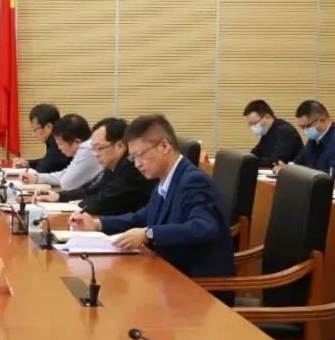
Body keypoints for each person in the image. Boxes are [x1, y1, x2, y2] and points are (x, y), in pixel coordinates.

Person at [72, 114, 235, 284]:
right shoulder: (165, 178)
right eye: (132, 158)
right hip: (166, 272)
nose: (137, 164)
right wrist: (98, 224)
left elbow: (203, 227)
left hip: (197, 283)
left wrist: (148, 234)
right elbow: (143, 216)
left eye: (140, 155)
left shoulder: (194, 181)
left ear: (164, 146)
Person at [38, 117, 154, 216]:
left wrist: (77, 205)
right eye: (93, 148)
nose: (95, 154)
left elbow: (104, 201)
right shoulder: (112, 166)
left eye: (99, 148)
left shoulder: (130, 168)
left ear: (119, 146)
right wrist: (58, 196)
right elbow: (91, 190)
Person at [19, 114, 102, 190]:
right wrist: (37, 178)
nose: (59, 148)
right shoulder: (86, 146)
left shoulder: (87, 149)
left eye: (61, 144)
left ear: (76, 141)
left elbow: (66, 183)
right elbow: (65, 173)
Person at [288, 100, 335, 188]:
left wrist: (303, 173)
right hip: (311, 185)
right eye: (302, 127)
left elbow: (334, 175)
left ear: (322, 120)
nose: (305, 130)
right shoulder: (315, 138)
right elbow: (300, 161)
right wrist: (288, 168)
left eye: (307, 126)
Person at [12, 103, 72, 174]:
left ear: (49, 126)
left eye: (34, 129)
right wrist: (27, 163)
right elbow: (47, 160)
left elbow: (41, 171)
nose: (33, 134)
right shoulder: (56, 137)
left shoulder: (58, 143)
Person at [243, 99, 303, 168]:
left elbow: (275, 161)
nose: (253, 127)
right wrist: (245, 159)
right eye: (250, 124)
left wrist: (252, 162)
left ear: (267, 117)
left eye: (255, 123)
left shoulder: (286, 131)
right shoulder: (267, 132)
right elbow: (255, 154)